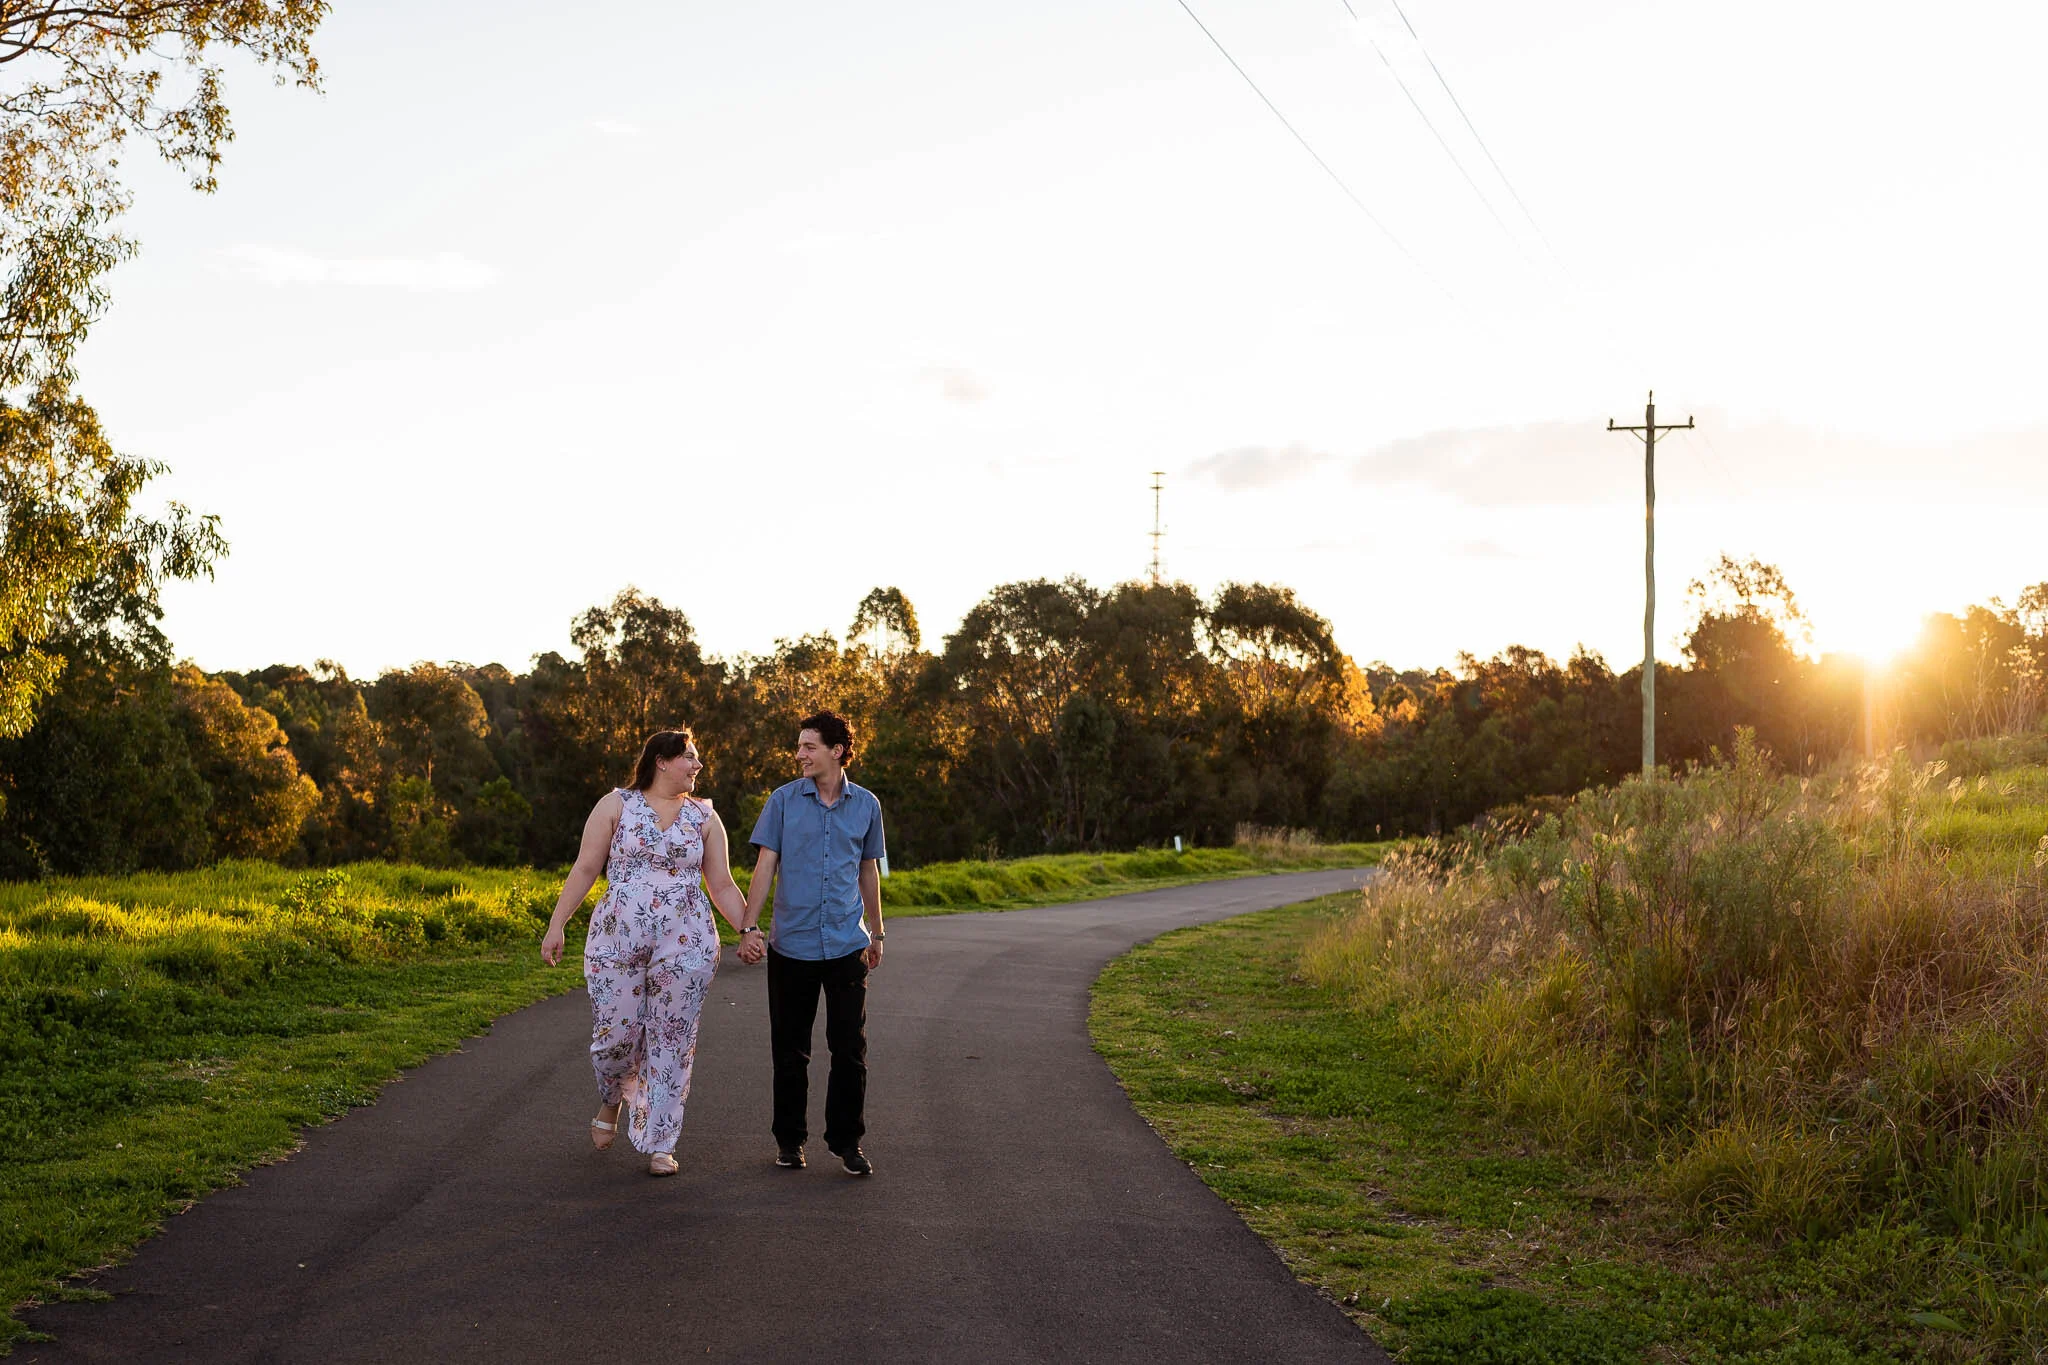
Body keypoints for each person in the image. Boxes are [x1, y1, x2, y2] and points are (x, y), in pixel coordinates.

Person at [541, 728, 759, 1177]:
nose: (697, 766)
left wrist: (749, 929)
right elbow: (586, 866)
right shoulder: (616, 805)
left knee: (673, 1038)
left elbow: (721, 883)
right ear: (662, 760)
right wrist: (557, 923)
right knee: (615, 1035)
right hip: (616, 938)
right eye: (690, 758)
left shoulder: (704, 817)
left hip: (688, 941)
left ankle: (661, 1141)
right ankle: (611, 1099)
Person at [739, 710, 886, 1176]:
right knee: (790, 1051)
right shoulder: (782, 801)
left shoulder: (866, 805)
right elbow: (765, 866)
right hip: (792, 947)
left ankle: (847, 1143)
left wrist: (877, 932)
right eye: (800, 746)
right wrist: (748, 926)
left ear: (836, 751)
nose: (799, 754)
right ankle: (790, 1141)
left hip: (847, 944)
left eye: (808, 746)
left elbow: (868, 870)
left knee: (849, 1048)